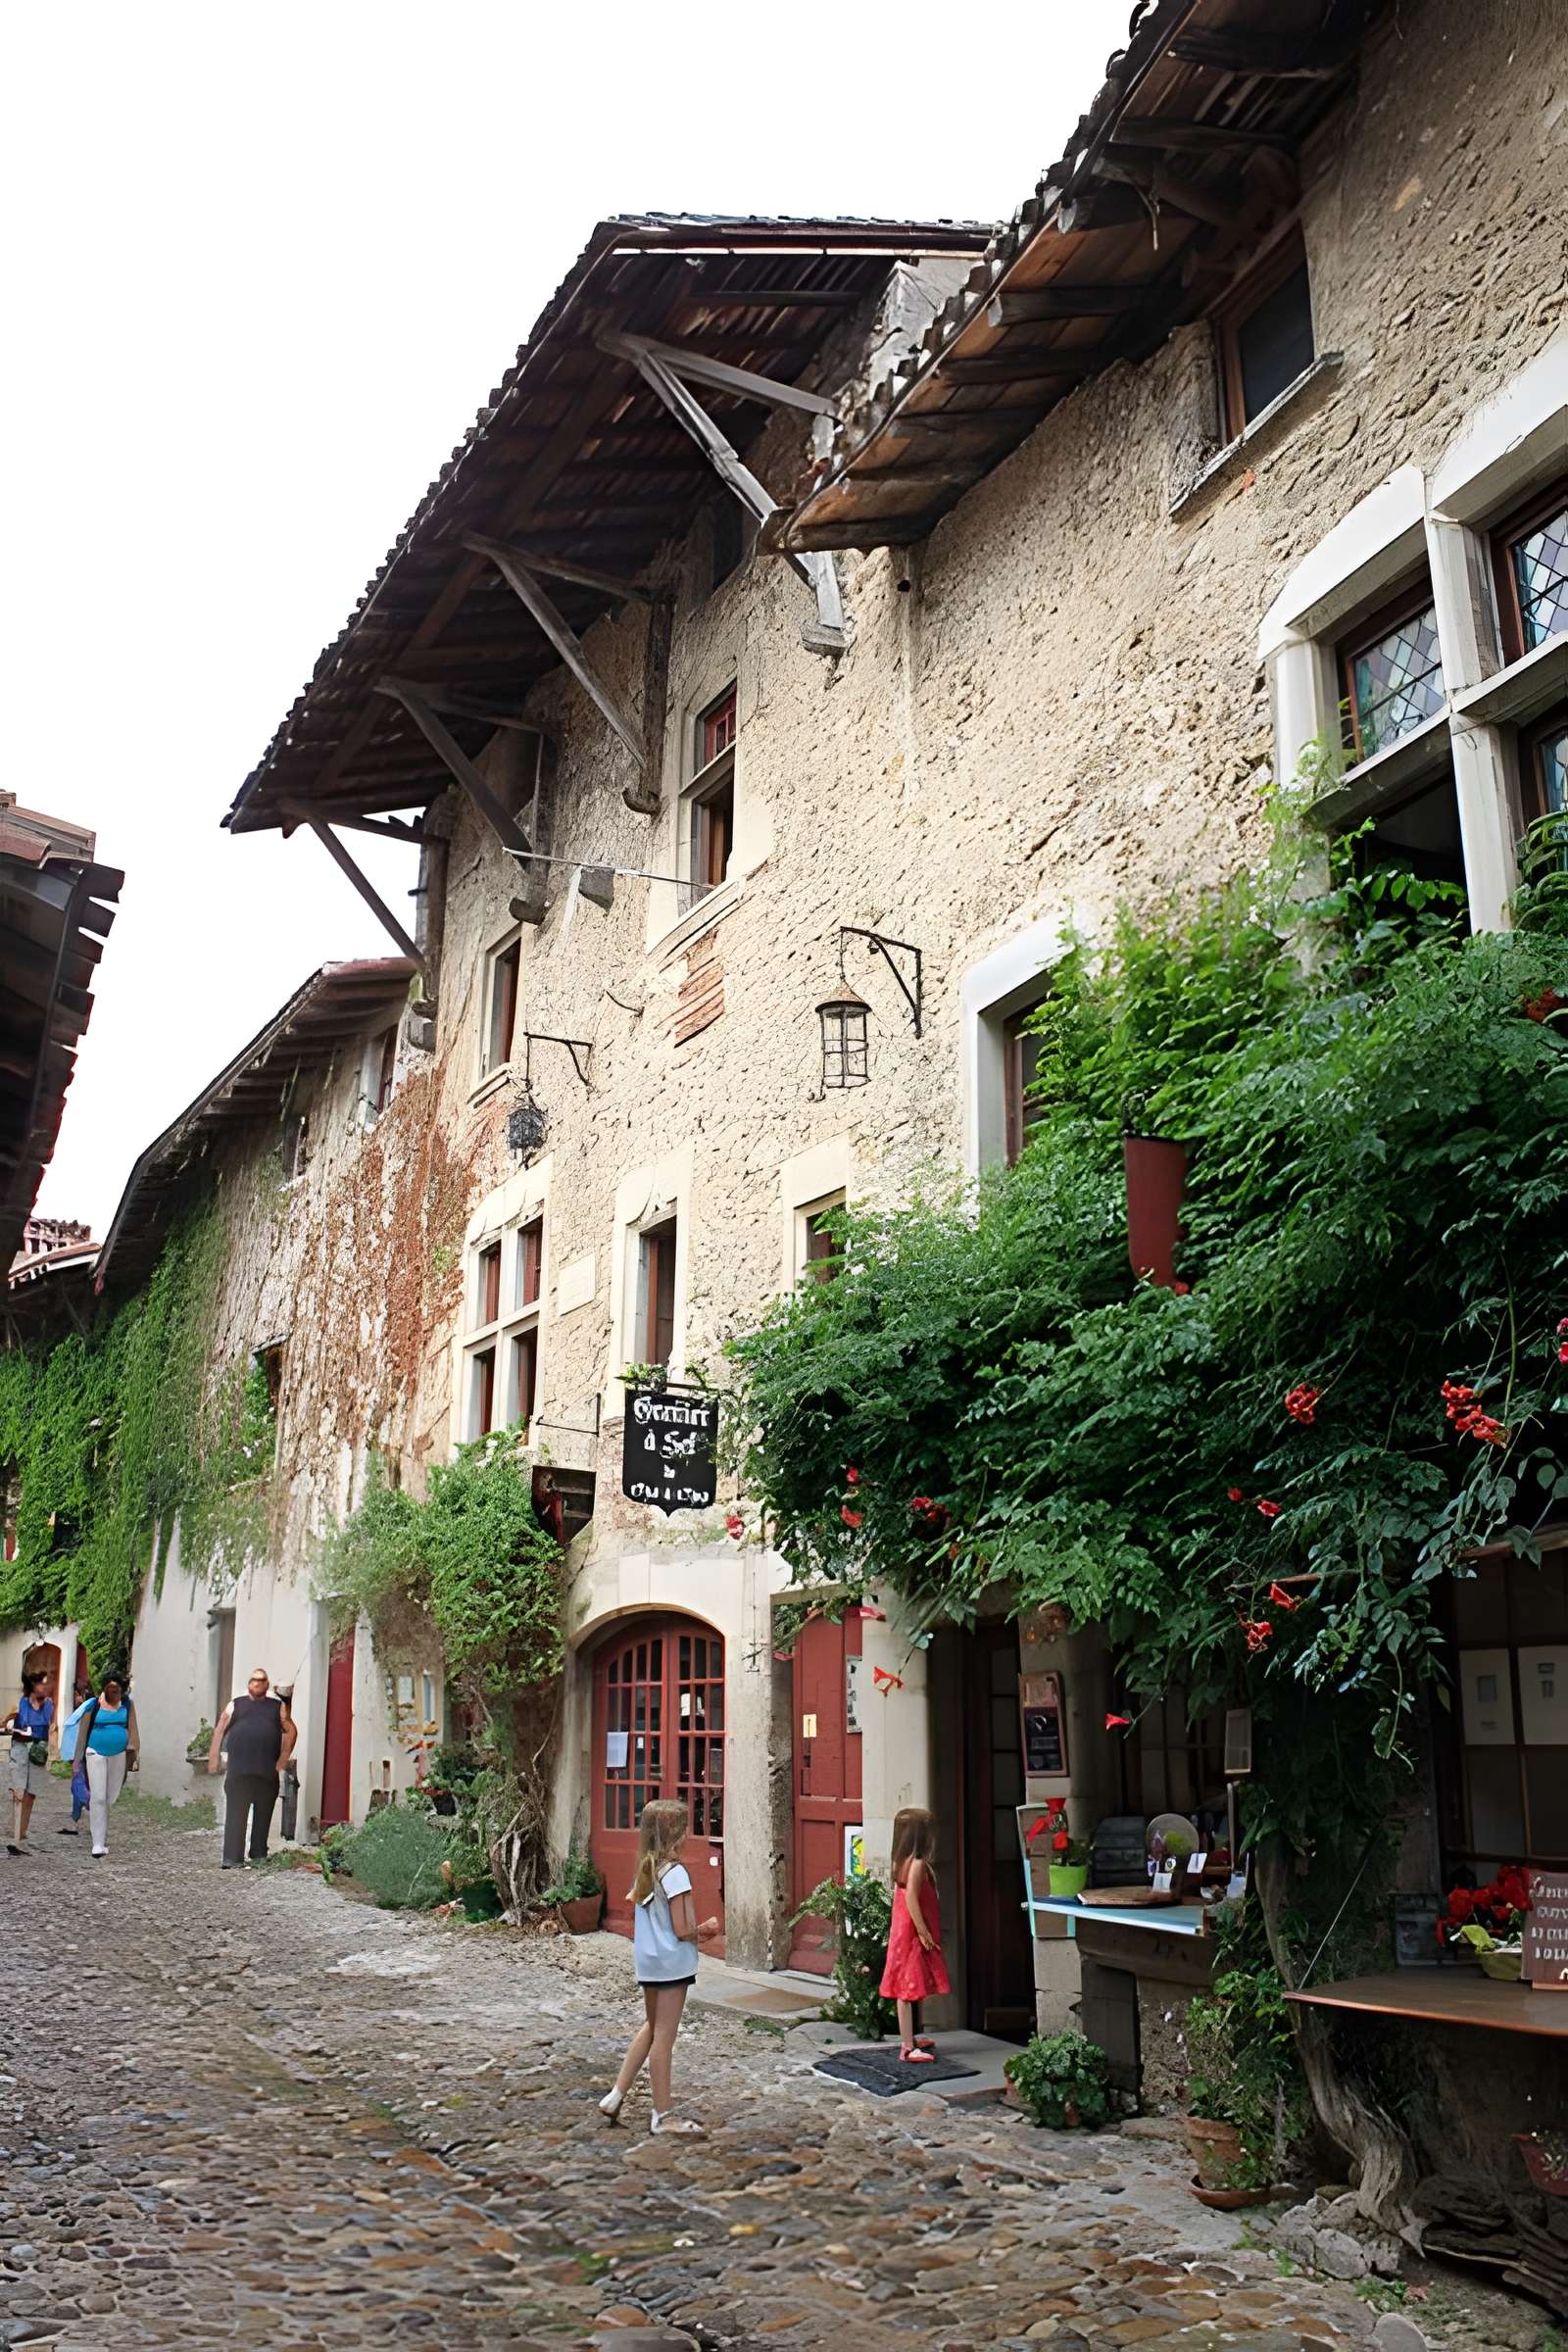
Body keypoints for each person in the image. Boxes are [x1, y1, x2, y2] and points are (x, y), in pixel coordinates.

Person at [599, 1798, 719, 2134]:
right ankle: (663, 2116)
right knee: (664, 2038)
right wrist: (707, 1930)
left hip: (650, 1963)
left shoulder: (646, 1870)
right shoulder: (676, 1873)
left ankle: (616, 2094)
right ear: (675, 1834)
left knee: (651, 2028)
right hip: (671, 1966)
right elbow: (683, 1930)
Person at [879, 1805, 952, 2064]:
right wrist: (923, 1932)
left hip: (904, 1931)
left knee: (909, 1985)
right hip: (911, 1932)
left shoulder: (902, 1861)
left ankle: (909, 2038)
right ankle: (908, 2048)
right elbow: (911, 1898)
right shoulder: (918, 1863)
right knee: (907, 1991)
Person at [208, 1668, 297, 1869]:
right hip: (239, 1771)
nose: (257, 1684)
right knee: (235, 1814)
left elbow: (291, 1730)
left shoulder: (277, 1706)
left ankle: (258, 1854)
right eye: (254, 1680)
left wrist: (283, 1759)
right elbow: (220, 1728)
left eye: (262, 1680)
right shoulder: (236, 1704)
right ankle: (232, 1857)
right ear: (249, 1683)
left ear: (267, 1684)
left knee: (263, 1814)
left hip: (266, 1772)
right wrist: (213, 1758)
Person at [80, 1673, 139, 1858]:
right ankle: (97, 1843)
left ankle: (102, 1838)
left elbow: (133, 1729)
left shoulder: (128, 1705)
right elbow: (83, 1732)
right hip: (95, 1752)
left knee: (110, 1796)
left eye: (117, 1690)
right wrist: (76, 1759)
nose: (114, 1692)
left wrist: (135, 1754)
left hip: (119, 1753)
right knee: (97, 1797)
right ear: (105, 1688)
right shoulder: (94, 1705)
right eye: (110, 1689)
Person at [4, 1668, 55, 1854]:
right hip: (20, 1746)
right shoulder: (23, 1702)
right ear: (34, 1685)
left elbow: (46, 1724)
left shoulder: (49, 1705)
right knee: (18, 1789)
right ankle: (16, 1833)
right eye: (43, 1683)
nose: (46, 1687)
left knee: (31, 1792)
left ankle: (21, 1830)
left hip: (38, 1748)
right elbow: (24, 1723)